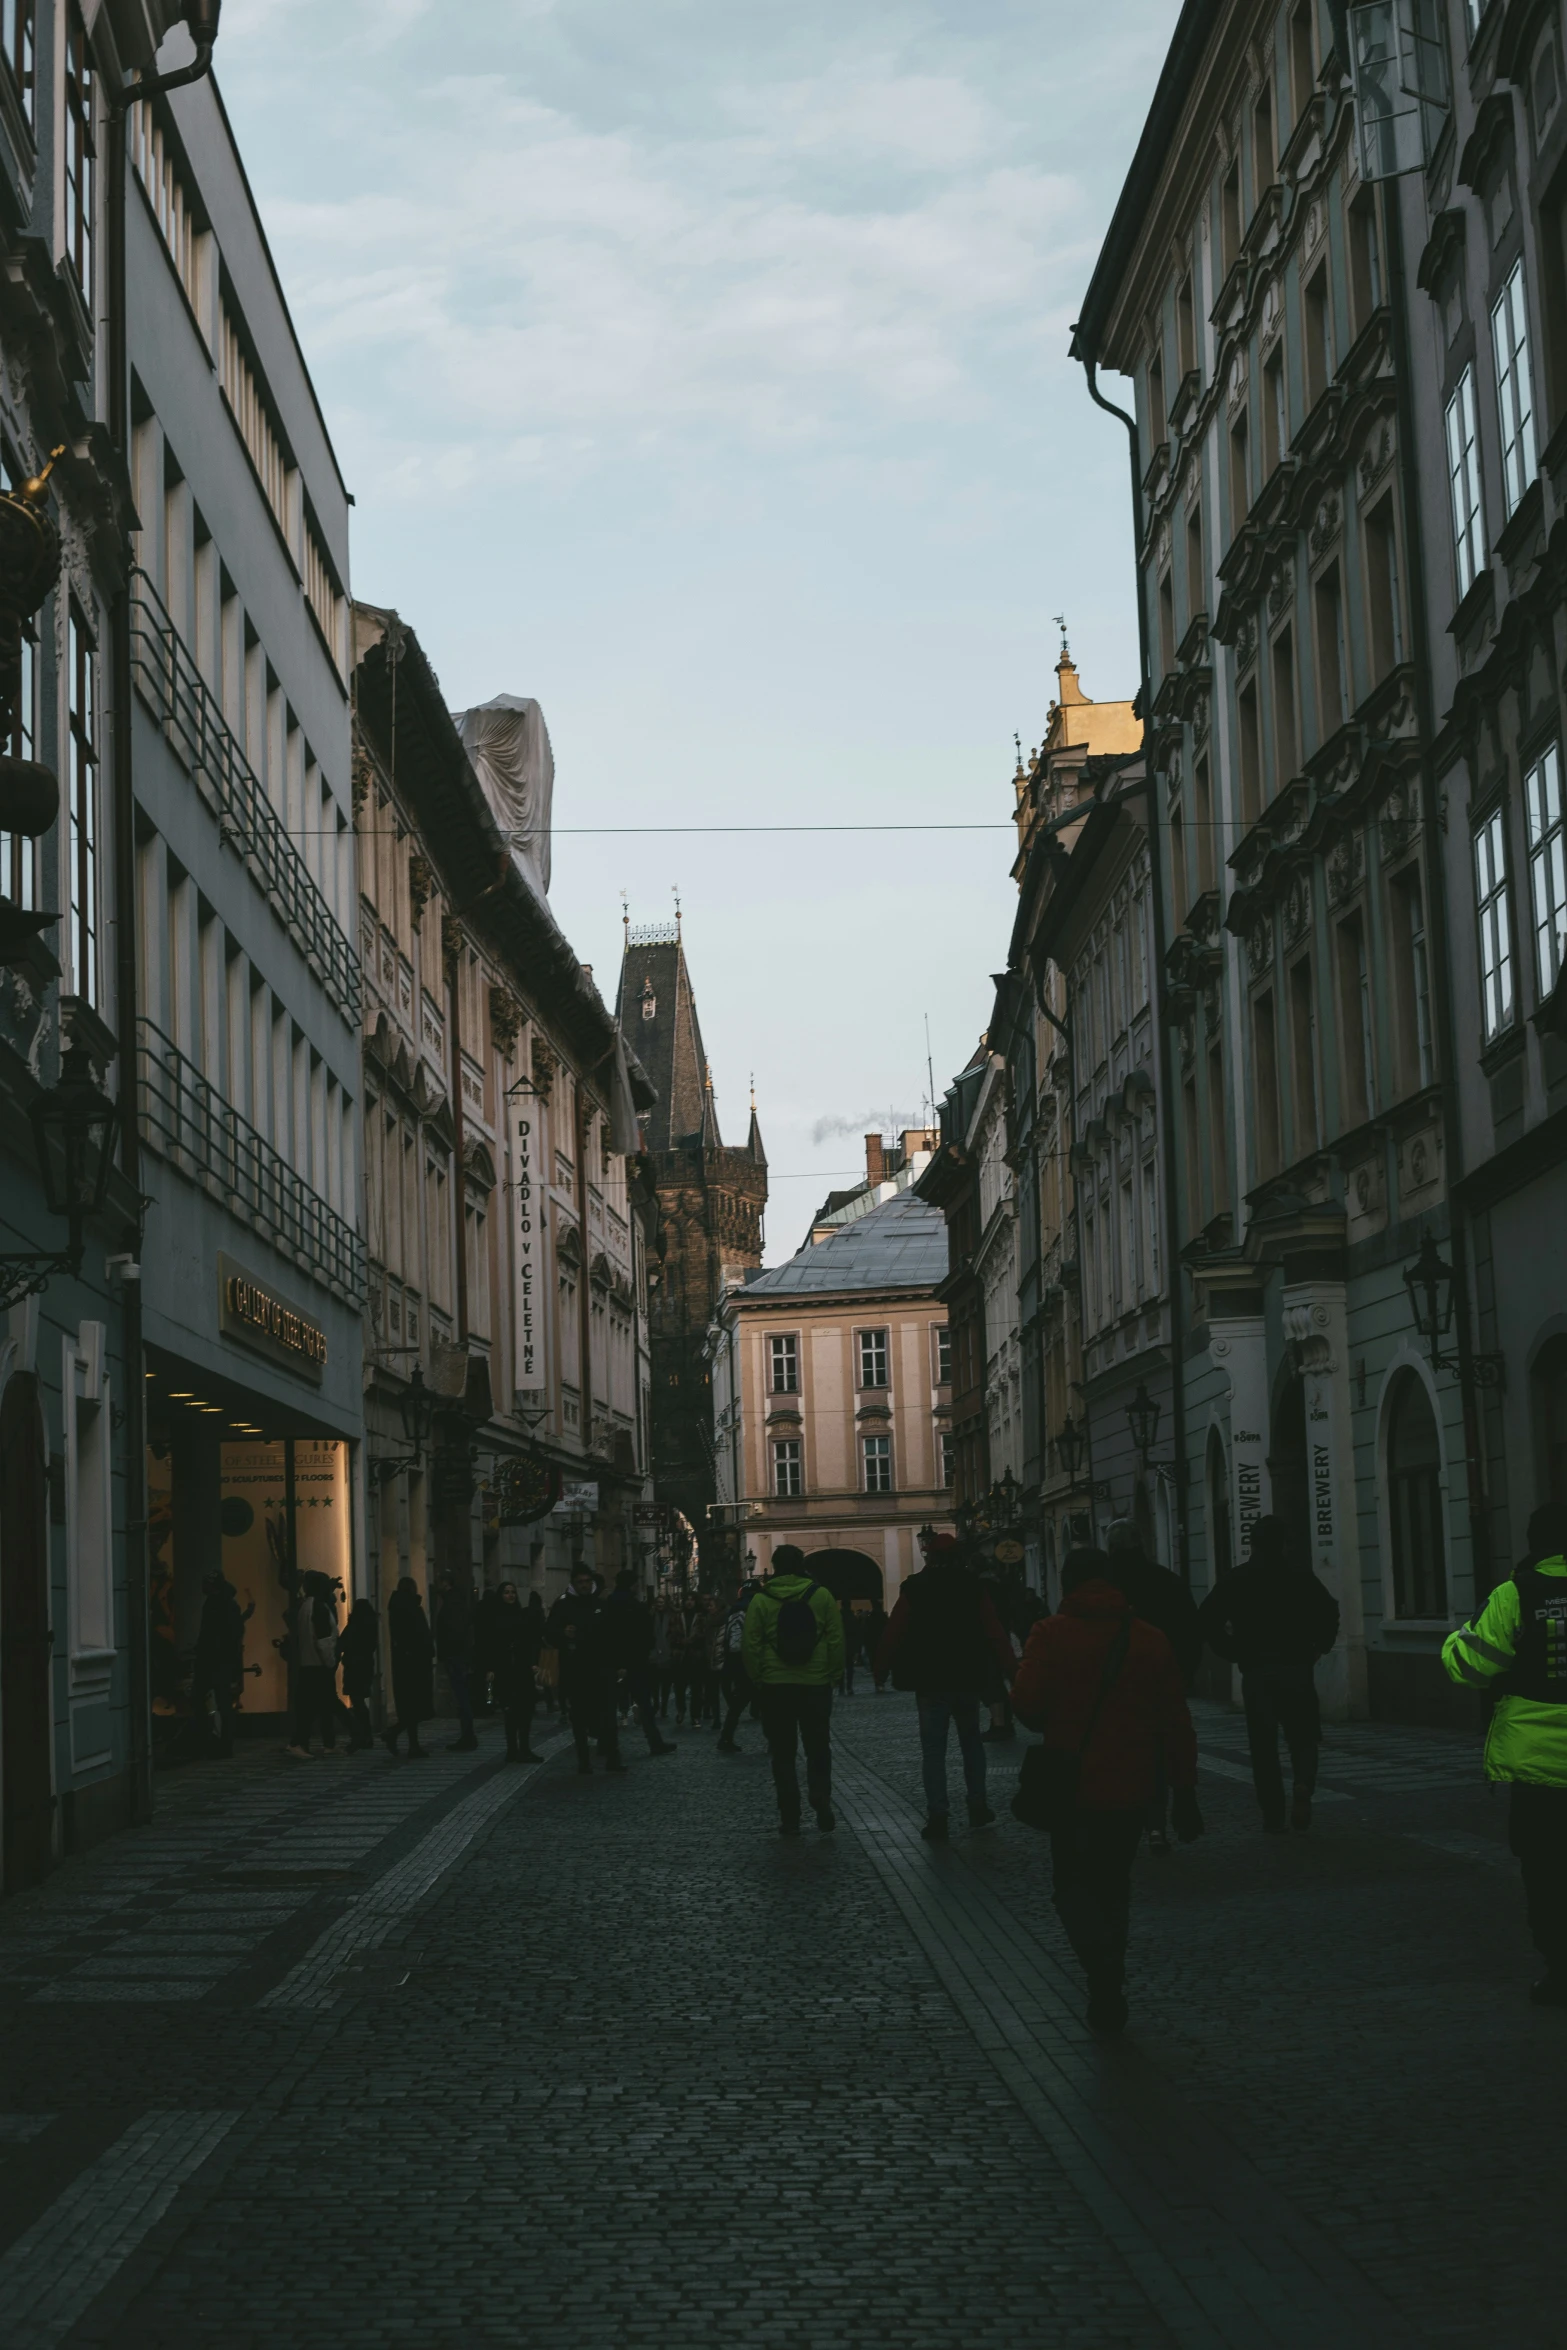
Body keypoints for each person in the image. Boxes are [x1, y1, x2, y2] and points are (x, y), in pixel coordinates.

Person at [1012, 1548, 1202, 2032]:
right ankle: (1109, 1970)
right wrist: (1184, 1791)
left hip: (1071, 1787)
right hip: (1132, 1785)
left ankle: (1101, 1973)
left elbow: (1028, 1704)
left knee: (1071, 1889)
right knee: (1115, 1886)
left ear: (1068, 1583)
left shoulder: (1050, 1634)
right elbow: (1176, 1720)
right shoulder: (1150, 1639)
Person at [1443, 1501, 1567, 2005]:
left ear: (1534, 1543)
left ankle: (1560, 1970)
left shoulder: (1515, 1594)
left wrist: (1455, 1640)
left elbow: (1470, 1667)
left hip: (1538, 1768)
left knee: (1545, 1871)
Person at [1197, 1514, 1339, 1832]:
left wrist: (1232, 1651)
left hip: (1257, 1672)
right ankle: (1303, 1783)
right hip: (1296, 1668)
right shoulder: (1299, 1576)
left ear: (1252, 1543)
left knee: (1263, 1747)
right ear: (1283, 1543)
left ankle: (1273, 1815)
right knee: (1303, 1737)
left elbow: (1206, 1618)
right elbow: (1329, 1610)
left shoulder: (1238, 1578)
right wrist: (1320, 1646)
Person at [877, 1534, 1016, 1839]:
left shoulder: (915, 1587)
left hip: (930, 1679)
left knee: (933, 1750)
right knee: (971, 1744)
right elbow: (993, 1631)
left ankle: (938, 1814)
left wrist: (881, 1666)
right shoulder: (972, 1586)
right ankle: (977, 1805)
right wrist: (1011, 1668)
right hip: (967, 1676)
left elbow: (894, 1630)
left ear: (929, 1557)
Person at [1106, 1519, 1203, 1856]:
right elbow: (1192, 1632)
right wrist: (1186, 1674)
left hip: (1118, 1688)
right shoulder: (1168, 1582)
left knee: (1130, 1758)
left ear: (1111, 1548)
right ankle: (1180, 1800)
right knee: (1169, 1748)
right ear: (1141, 1544)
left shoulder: (1104, 1588)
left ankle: (1151, 1824)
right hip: (1165, 1682)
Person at [743, 1544, 844, 1835]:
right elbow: (836, 1638)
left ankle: (790, 1815)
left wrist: (758, 1676)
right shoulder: (821, 1595)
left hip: (776, 1685)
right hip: (815, 1683)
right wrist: (834, 1674)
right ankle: (820, 1795)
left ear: (774, 1566)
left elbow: (751, 1643)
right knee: (818, 1746)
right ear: (801, 1564)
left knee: (783, 1753)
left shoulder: (761, 1600)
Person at [547, 1566, 626, 1774]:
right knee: (579, 1717)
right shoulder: (563, 1605)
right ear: (574, 1583)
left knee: (608, 1714)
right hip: (576, 1670)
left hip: (602, 1669)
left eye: (587, 1581)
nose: (585, 1585)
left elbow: (613, 1635)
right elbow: (549, 1634)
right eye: (581, 1581)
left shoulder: (601, 1605)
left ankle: (613, 1757)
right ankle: (584, 1761)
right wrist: (563, 1633)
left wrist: (619, 1664)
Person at [604, 1569, 677, 1757]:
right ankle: (655, 1742)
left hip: (613, 1662)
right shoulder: (635, 1606)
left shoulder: (609, 1604)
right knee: (644, 1705)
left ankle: (607, 1745)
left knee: (611, 1704)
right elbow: (646, 1635)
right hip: (636, 1662)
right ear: (632, 1585)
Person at [191, 1573, 247, 1756]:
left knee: (208, 1701)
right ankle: (221, 1742)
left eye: (205, 1583)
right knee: (222, 1703)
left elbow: (213, 1635)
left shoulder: (216, 1604)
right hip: (220, 1662)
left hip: (214, 1662)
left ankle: (213, 1740)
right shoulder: (227, 1604)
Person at [287, 1572, 341, 1758]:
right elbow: (324, 1640)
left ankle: (327, 1743)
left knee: (317, 1705)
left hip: (308, 1663)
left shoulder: (305, 1606)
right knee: (313, 1707)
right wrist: (330, 1662)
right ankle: (299, 1742)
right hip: (318, 1665)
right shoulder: (319, 1608)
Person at [492, 1581, 543, 1762]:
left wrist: (532, 1662)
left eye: (513, 1592)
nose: (510, 1595)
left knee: (526, 1710)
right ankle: (512, 1750)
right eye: (506, 1592)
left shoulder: (522, 1615)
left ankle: (525, 1748)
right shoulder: (496, 1616)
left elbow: (529, 1640)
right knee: (510, 1711)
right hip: (505, 1670)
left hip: (522, 1669)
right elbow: (491, 1645)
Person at [383, 1577, 434, 1757]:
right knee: (415, 1706)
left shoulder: (396, 1609)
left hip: (403, 1664)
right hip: (415, 1664)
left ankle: (403, 1739)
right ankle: (403, 1739)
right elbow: (422, 1636)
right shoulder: (412, 1609)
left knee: (410, 1707)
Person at [435, 1574, 479, 1753]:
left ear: (446, 1584)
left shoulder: (452, 1604)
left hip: (456, 1656)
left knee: (462, 1698)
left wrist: (450, 1655)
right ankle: (468, 1736)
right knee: (462, 1697)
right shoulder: (457, 1601)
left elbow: (454, 1631)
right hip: (459, 1655)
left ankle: (468, 1736)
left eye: (440, 1582)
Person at [717, 1582, 758, 1753]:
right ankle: (775, 1741)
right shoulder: (753, 1607)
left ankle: (726, 1738)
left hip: (736, 1660)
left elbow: (731, 1639)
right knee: (769, 1703)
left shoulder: (734, 1609)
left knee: (738, 1704)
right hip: (751, 1660)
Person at [338, 1596, 379, 1752]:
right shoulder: (370, 1627)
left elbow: (342, 1643)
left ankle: (361, 1735)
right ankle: (366, 1735)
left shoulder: (354, 1626)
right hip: (366, 1667)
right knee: (360, 1702)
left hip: (354, 1668)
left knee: (357, 1702)